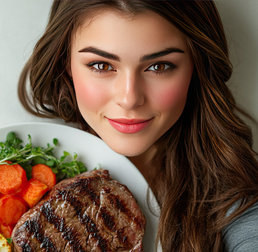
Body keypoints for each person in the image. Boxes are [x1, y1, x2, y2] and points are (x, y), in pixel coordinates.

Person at [17, 0, 258, 251]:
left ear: (196, 68)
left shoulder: (239, 210)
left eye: (159, 66)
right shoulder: (27, 164)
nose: (129, 99)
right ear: (65, 64)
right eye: (102, 65)